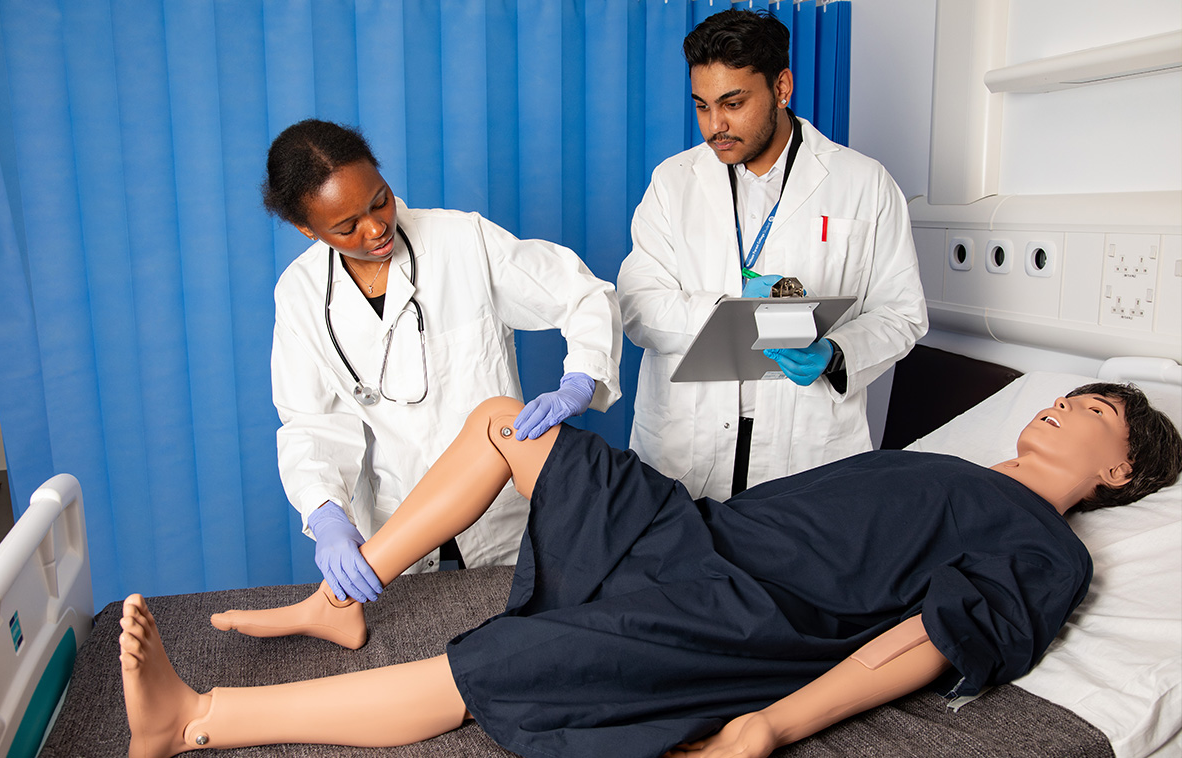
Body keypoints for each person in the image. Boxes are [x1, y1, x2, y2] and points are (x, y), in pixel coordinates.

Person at [120, 384, 1182, 758]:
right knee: (506, 421)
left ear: (1122, 465)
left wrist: (766, 724)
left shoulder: (1047, 549)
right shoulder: (945, 460)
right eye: (1065, 393)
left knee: (497, 659)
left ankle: (195, 718)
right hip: (695, 533)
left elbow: (933, 636)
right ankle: (341, 598)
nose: (1059, 405)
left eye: (1091, 408)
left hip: (744, 613)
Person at [263, 119, 622, 600]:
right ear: (307, 229)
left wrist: (579, 380)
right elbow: (310, 422)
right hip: (399, 524)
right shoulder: (300, 296)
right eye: (347, 227)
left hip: (503, 516)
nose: (375, 228)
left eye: (380, 200)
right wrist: (325, 512)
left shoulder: (461, 242)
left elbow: (583, 295)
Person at [617, 10, 928, 499]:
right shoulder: (672, 182)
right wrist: (729, 309)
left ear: (781, 88)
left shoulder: (864, 185)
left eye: (733, 103)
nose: (714, 126)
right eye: (701, 106)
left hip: (805, 439)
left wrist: (835, 354)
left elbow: (902, 314)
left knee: (793, 568)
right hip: (686, 437)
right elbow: (636, 305)